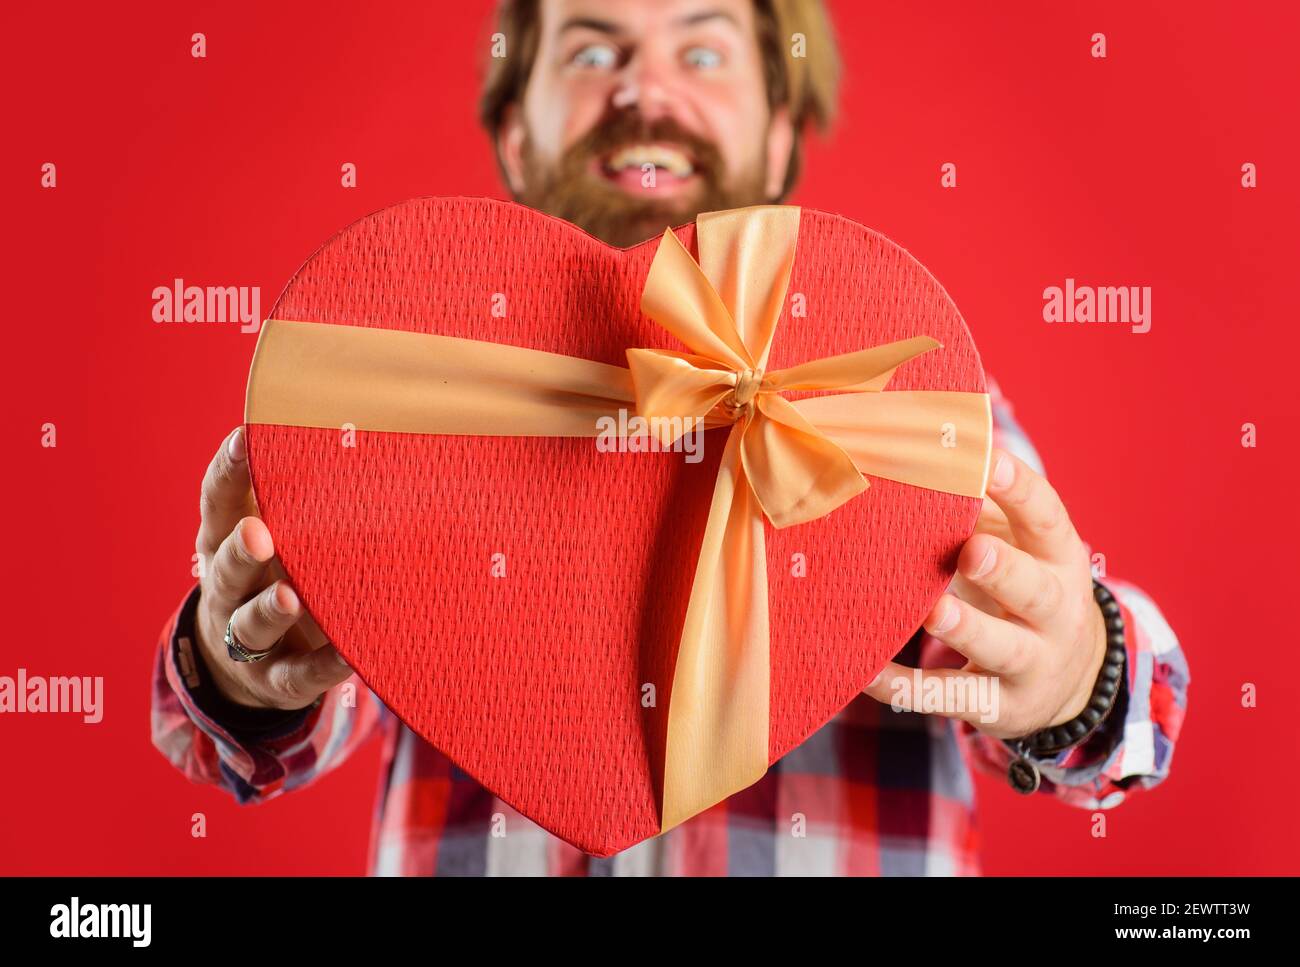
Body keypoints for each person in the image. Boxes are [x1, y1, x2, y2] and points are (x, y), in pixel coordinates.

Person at [151, 0, 1188, 875]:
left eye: (702, 51)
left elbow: (1122, 708)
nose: (646, 93)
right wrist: (239, 666)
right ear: (515, 132)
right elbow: (281, 714)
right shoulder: (403, 384)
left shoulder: (901, 389)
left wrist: (1072, 675)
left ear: (781, 133)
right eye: (592, 51)